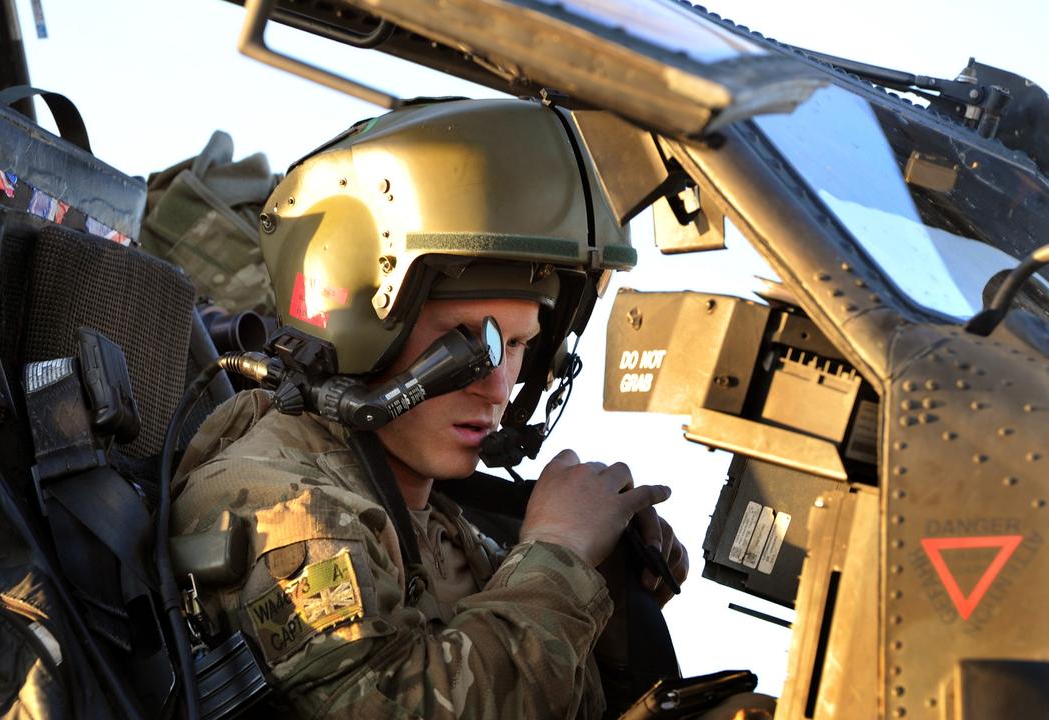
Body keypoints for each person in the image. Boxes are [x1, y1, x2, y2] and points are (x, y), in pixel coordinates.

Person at [171, 97, 689, 719]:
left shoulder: (431, 514)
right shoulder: (281, 508)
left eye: (519, 345)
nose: (497, 387)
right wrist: (560, 552)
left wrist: (607, 578)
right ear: (361, 327)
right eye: (468, 342)